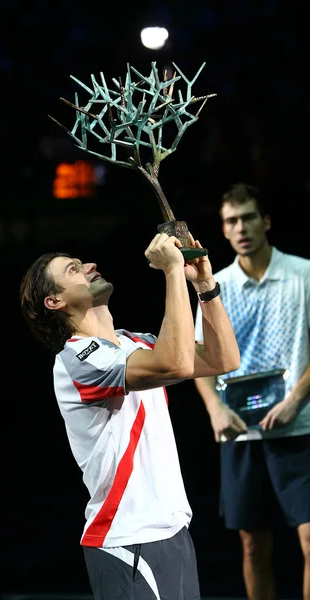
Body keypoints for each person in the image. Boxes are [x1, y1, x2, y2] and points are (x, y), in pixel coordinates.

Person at [19, 230, 240, 600]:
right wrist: (171, 272)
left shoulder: (135, 343)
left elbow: (224, 359)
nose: (89, 266)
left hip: (172, 531)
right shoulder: (77, 358)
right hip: (128, 539)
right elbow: (176, 364)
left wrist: (204, 284)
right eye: (73, 269)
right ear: (54, 301)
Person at [193, 182, 310, 600]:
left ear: (265, 221)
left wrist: (296, 399)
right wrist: (215, 410)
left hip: (299, 429)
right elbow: (201, 359)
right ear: (223, 231)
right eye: (230, 221)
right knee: (253, 544)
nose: (240, 227)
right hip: (242, 431)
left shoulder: (304, 275)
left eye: (247, 218)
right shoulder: (213, 288)